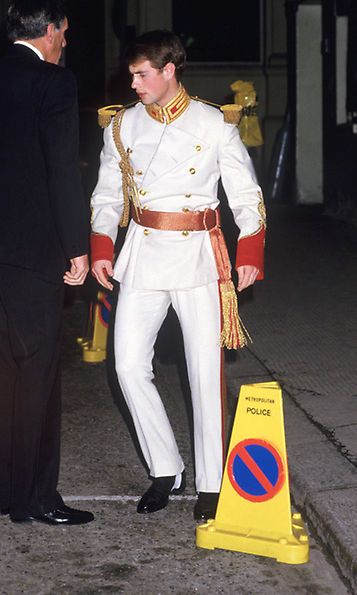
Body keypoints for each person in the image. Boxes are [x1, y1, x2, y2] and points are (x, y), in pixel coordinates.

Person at [90, 30, 266, 521]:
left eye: (142, 74)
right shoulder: (120, 126)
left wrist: (250, 246)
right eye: (131, 75)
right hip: (143, 253)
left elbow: (246, 195)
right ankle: (166, 468)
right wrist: (103, 243)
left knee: (204, 374)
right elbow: (106, 195)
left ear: (170, 70)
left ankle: (212, 482)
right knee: (126, 365)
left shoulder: (215, 124)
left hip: (197, 258)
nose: (134, 83)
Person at [0, 0, 93, 525]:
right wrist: (76, 247)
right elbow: (62, 171)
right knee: (37, 372)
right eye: (65, 32)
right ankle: (34, 499)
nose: (66, 42)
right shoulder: (53, 83)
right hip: (33, 253)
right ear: (52, 32)